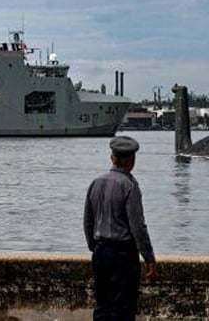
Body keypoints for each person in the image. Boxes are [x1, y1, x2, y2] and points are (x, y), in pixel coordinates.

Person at [84, 136, 156, 321]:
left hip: (100, 253)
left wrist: (96, 247)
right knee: (123, 309)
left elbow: (88, 221)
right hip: (123, 256)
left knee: (102, 307)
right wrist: (149, 258)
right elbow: (137, 226)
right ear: (131, 161)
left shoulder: (95, 183)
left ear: (112, 157)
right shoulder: (129, 186)